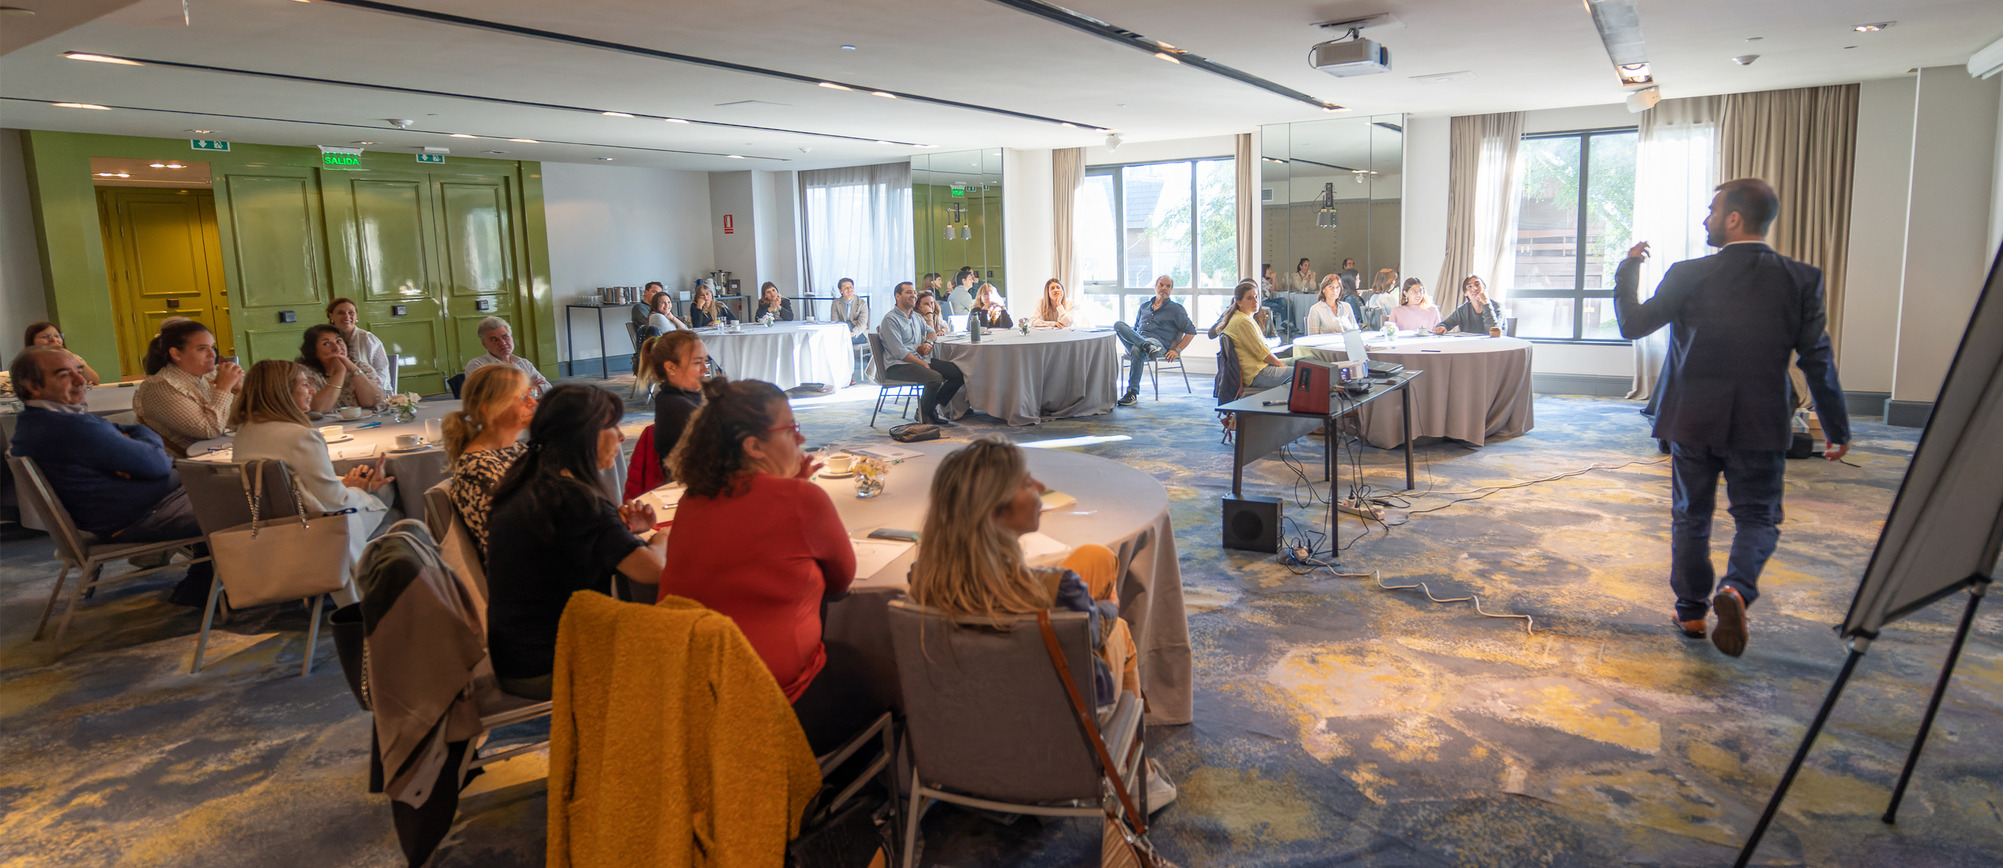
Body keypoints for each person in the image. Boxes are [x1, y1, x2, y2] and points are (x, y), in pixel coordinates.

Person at [1614, 178, 1851, 658]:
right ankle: (1738, 590)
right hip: (1761, 422)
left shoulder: (1687, 274)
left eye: (1711, 211)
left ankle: (1692, 612)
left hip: (1691, 419)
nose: (1706, 220)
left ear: (1734, 219)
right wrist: (1837, 428)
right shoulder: (1802, 278)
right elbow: (1816, 360)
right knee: (1758, 516)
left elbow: (1633, 325)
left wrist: (1629, 267)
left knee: (1690, 516)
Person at [906, 438, 1172, 806]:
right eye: (1025, 482)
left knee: (1092, 557)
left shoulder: (922, 581)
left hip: (968, 722)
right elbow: (1092, 629)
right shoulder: (1058, 589)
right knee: (1121, 629)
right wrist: (1108, 607)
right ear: (995, 511)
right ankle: (1134, 775)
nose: (1041, 488)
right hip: (1060, 723)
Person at [658, 376, 871, 754]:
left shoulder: (693, 499)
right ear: (754, 446)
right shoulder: (801, 501)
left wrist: (790, 486)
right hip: (776, 699)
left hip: (692, 692)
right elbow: (841, 581)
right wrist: (799, 492)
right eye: (791, 429)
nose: (801, 440)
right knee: (886, 675)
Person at [484, 384, 666, 699]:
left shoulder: (530, 476)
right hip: (548, 664)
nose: (622, 437)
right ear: (584, 434)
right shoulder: (575, 499)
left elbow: (570, 548)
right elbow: (654, 571)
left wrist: (624, 533)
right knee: (684, 648)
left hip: (518, 653)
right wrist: (663, 537)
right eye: (612, 426)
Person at [8, 346, 213, 605]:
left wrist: (135, 439)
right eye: (63, 375)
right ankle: (213, 588)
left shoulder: (38, 421)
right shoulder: (70, 428)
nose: (81, 381)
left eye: (79, 371)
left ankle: (201, 584)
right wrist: (143, 440)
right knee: (245, 504)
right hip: (142, 519)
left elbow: (128, 430)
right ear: (32, 387)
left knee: (223, 492)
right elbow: (157, 465)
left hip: (137, 513)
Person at [227, 360, 394, 575]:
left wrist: (346, 485)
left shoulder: (244, 432)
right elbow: (335, 501)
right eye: (305, 385)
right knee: (389, 499)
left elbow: (289, 483)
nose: (312, 390)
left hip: (268, 526)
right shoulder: (302, 437)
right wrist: (360, 489)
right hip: (312, 529)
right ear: (284, 392)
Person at [442, 364, 534, 555]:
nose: (532, 403)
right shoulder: (478, 468)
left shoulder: (517, 449)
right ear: (488, 409)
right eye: (523, 397)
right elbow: (509, 545)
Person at [132, 320, 244, 458]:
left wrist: (238, 390)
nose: (212, 354)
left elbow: (238, 421)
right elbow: (210, 430)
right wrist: (224, 388)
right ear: (176, 354)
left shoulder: (209, 375)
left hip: (215, 454)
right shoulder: (160, 386)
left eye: (212, 347)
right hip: (182, 466)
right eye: (202, 349)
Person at [877, 281, 965, 426]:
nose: (913, 295)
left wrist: (928, 343)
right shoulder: (890, 319)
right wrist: (922, 363)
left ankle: (928, 409)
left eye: (914, 292)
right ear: (897, 296)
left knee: (956, 373)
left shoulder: (916, 317)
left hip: (916, 359)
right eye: (908, 292)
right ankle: (926, 414)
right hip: (898, 366)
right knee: (935, 378)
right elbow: (899, 352)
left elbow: (931, 332)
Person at [1114, 275, 1197, 406]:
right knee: (1118, 325)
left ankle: (1132, 393)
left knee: (1137, 350)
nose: (1164, 288)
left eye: (1168, 286)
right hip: (1139, 340)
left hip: (1158, 345)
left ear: (1171, 290)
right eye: (1161, 285)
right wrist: (1140, 340)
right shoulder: (1144, 306)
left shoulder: (1176, 309)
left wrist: (1177, 350)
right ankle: (1145, 345)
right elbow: (1135, 329)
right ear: (1155, 287)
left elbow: (1191, 331)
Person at [637, 330, 707, 478]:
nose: (705, 370)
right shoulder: (677, 408)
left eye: (705, 362)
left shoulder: (688, 398)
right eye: (697, 363)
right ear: (671, 367)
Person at [297, 324, 386, 415]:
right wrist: (339, 372)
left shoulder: (361, 366)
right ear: (313, 351)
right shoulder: (305, 374)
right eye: (326, 343)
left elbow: (376, 402)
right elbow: (317, 409)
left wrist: (355, 370)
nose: (336, 347)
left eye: (339, 341)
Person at [1222, 280, 1292, 391]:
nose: (1255, 301)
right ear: (1239, 302)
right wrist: (1281, 365)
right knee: (1304, 373)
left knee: (1302, 362)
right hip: (1258, 372)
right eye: (1249, 298)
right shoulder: (1243, 322)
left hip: (1260, 367)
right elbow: (1263, 354)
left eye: (1256, 297)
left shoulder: (1244, 317)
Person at [464, 316, 552, 397]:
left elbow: (547, 388)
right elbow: (490, 397)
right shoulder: (478, 365)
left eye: (505, 337)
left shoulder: (523, 363)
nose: (502, 342)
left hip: (528, 410)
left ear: (512, 337)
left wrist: (516, 390)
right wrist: (528, 387)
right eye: (494, 339)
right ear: (484, 344)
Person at [325, 298, 393, 388]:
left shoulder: (367, 338)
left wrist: (368, 389)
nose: (347, 316)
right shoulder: (322, 340)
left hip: (367, 391)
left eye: (351, 312)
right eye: (340, 313)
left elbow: (382, 372)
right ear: (331, 316)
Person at [23, 322, 101, 385]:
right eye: (45, 337)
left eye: (57, 336)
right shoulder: (27, 363)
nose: (53, 340)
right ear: (32, 342)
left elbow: (94, 380)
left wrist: (70, 356)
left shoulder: (73, 358)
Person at [1433, 275, 1505, 336]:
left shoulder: (1497, 307)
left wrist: (1486, 304)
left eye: (1477, 285)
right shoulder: (1463, 310)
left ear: (1484, 288)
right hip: (1469, 347)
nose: (1474, 289)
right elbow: (1446, 324)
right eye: (1469, 287)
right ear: (1465, 293)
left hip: (1493, 347)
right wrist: (1442, 327)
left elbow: (1494, 334)